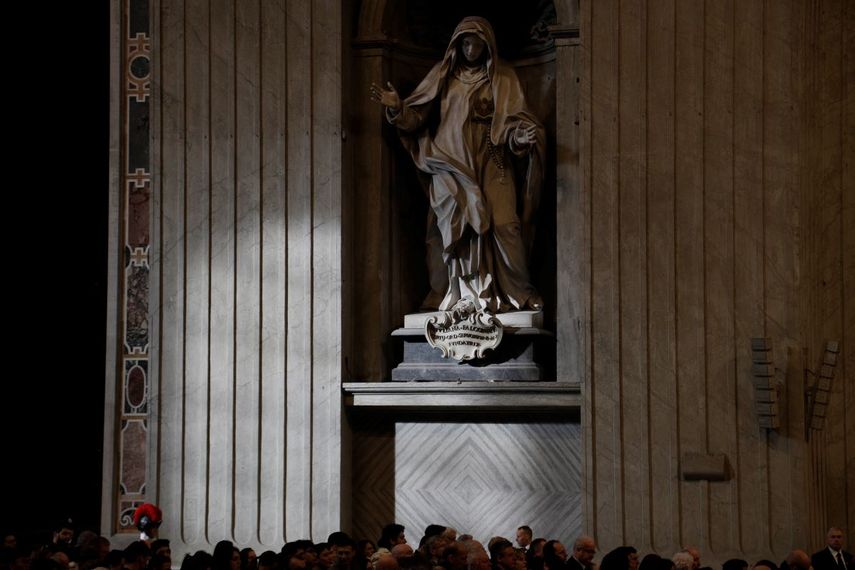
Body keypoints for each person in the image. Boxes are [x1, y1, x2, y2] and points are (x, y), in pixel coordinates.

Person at [371, 16, 545, 314]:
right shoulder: (443, 74)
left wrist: (521, 138)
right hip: (449, 163)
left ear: (487, 46)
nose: (471, 50)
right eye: (465, 44)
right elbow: (416, 117)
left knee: (506, 225)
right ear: (456, 45)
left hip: (492, 160)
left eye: (477, 44)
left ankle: (518, 293)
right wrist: (398, 108)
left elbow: (515, 123)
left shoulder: (504, 77)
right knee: (448, 231)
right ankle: (451, 294)